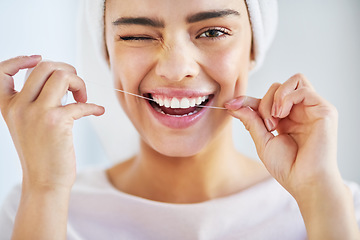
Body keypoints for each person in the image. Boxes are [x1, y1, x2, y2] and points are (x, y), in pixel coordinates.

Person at [0, 0, 359, 239]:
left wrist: (319, 198)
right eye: (137, 35)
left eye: (213, 32)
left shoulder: (341, 208)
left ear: (253, 48)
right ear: (107, 53)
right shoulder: (33, 208)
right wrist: (45, 190)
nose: (175, 69)